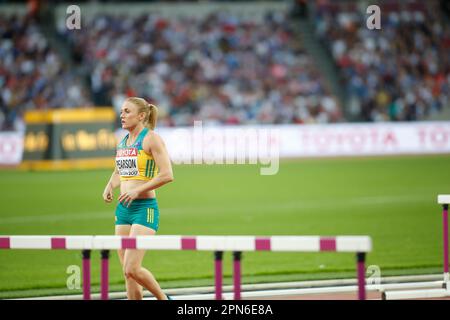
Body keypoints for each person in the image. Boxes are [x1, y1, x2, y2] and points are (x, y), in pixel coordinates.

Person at [102, 97, 174, 300]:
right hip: (123, 210)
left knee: (132, 268)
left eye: (127, 111)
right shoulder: (123, 141)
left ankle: (165, 299)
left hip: (144, 208)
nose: (121, 115)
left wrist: (136, 190)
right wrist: (110, 185)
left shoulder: (151, 138)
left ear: (141, 115)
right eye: (121, 111)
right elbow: (119, 171)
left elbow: (167, 174)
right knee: (127, 274)